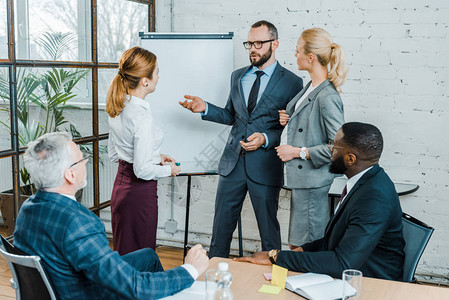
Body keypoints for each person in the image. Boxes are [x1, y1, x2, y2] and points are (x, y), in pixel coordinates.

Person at [13, 132, 209, 299]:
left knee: (148, 256)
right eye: (82, 159)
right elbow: (135, 287)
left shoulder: (28, 208)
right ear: (70, 175)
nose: (86, 162)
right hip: (86, 293)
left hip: (62, 284)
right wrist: (189, 270)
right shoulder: (77, 222)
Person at [179, 20, 303, 258]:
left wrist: (266, 138)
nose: (253, 49)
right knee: (221, 229)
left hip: (266, 166)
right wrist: (206, 108)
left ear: (274, 44)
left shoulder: (292, 82)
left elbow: (293, 129)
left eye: (259, 43)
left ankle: (272, 284)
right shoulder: (238, 77)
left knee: (269, 232)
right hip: (232, 164)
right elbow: (231, 116)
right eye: (249, 43)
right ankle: (213, 275)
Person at [235, 122, 405, 281]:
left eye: (334, 146)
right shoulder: (365, 182)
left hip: (372, 283)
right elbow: (336, 239)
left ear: (351, 159)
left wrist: (276, 257)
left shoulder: (374, 198)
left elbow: (343, 264)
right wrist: (300, 251)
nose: (330, 150)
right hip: (350, 272)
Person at [276, 28, 347, 249]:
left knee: (304, 245)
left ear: (310, 57)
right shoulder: (311, 88)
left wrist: (296, 152)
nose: (295, 55)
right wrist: (288, 120)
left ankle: (305, 283)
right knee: (299, 242)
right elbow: (306, 122)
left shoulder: (327, 96)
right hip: (304, 182)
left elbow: (338, 147)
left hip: (312, 183)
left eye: (297, 51)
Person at [106, 46, 181, 255]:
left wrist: (156, 156)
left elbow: (116, 154)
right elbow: (141, 171)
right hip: (139, 194)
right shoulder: (141, 116)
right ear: (144, 80)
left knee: (125, 253)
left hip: (120, 190)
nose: (158, 76)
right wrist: (170, 171)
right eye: (157, 72)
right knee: (142, 256)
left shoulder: (117, 106)